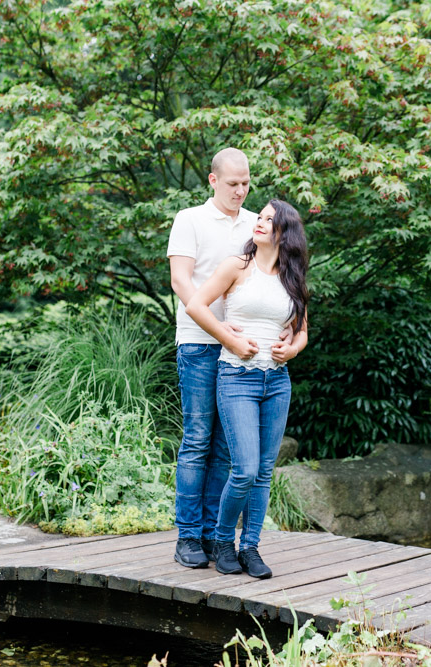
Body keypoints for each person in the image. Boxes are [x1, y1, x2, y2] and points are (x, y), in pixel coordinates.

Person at [185, 199, 309, 578]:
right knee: (245, 469)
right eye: (260, 217)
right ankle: (224, 542)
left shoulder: (293, 277)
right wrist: (230, 340)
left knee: (264, 472)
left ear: (284, 232)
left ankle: (250, 547)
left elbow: (303, 332)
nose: (260, 222)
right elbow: (195, 304)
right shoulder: (238, 266)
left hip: (276, 381)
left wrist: (292, 348)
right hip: (237, 376)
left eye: (269, 220)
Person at [167, 148, 255, 568]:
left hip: (242, 351)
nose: (240, 190)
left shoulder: (258, 224)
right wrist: (219, 331)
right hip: (200, 345)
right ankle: (187, 537)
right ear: (212, 180)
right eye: (233, 183)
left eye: (246, 183)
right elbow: (180, 280)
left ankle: (211, 535)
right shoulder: (190, 220)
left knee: (225, 448)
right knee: (198, 440)